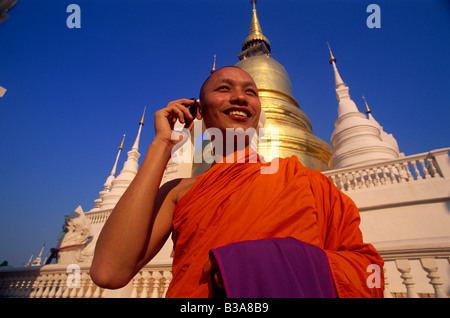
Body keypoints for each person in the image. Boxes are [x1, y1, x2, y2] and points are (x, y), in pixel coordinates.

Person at [90, 66, 384, 298]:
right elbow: (109, 272)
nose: (240, 97)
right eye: (223, 89)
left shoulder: (308, 183)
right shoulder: (179, 191)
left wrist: (265, 265)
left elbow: (368, 271)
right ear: (200, 112)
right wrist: (162, 144)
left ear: (258, 110)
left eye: (250, 92)